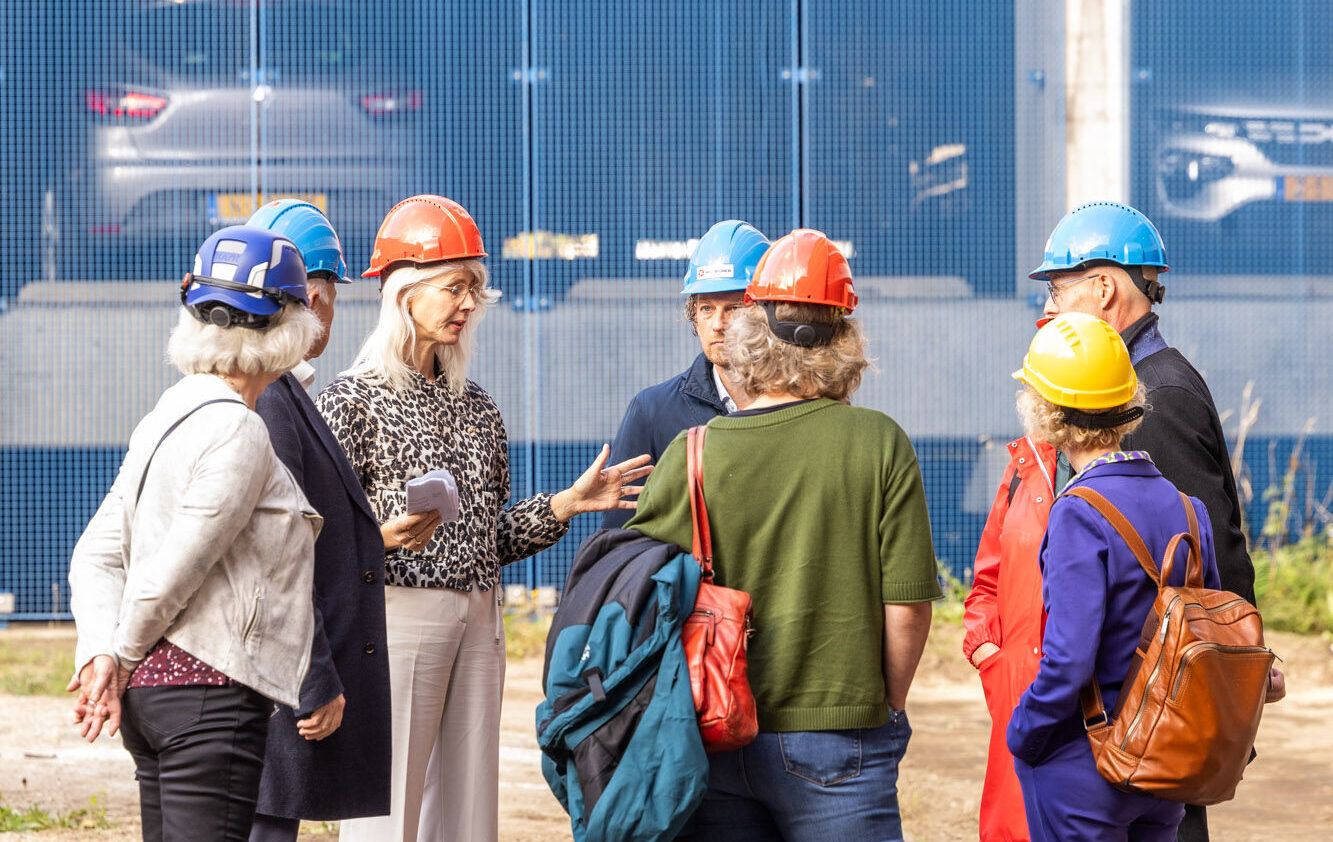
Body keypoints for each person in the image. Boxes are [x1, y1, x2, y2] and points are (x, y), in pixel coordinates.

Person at [319, 195, 651, 842]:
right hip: (392, 617)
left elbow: (484, 539)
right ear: (403, 293)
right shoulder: (349, 402)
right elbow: (317, 544)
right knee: (389, 810)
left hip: (478, 615)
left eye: (475, 288)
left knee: (470, 809)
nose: (469, 303)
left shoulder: (477, 407)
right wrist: (377, 540)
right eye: (453, 287)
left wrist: (564, 506)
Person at [628, 229, 941, 842]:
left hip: (714, 730)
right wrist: (890, 706)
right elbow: (906, 607)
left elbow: (641, 594)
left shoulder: (692, 452)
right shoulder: (880, 442)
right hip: (840, 738)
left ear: (750, 332)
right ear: (845, 339)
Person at [1032, 201, 1285, 841]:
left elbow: (1207, 560)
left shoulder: (1155, 396)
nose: (1052, 308)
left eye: (1059, 289)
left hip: (1158, 711)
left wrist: (1232, 680)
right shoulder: (1147, 382)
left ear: (1105, 287)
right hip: (1156, 704)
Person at [66, 226, 324, 842]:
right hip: (207, 698)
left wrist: (103, 650)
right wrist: (116, 659)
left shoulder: (168, 413)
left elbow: (96, 554)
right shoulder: (239, 430)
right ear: (288, 328)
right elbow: (176, 567)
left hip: (153, 702)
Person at [1005, 311, 1222, 842]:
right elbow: (1210, 628)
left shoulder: (1078, 511)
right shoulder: (1190, 509)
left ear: (1047, 412)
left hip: (1086, 762)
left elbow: (1070, 660)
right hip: (1164, 757)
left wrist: (1024, 732)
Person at [242, 201, 392, 841]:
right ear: (312, 299)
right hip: (281, 687)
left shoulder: (282, 391)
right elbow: (280, 555)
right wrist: (316, 680)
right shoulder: (275, 398)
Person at [602, 219, 769, 529]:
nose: (718, 324)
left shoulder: (799, 405)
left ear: (766, 314)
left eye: (733, 308)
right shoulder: (652, 412)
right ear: (693, 315)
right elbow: (619, 540)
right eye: (706, 308)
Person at [963, 425, 1058, 841]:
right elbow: (987, 577)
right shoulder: (1025, 468)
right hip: (1017, 686)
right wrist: (986, 649)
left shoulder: (1114, 471)